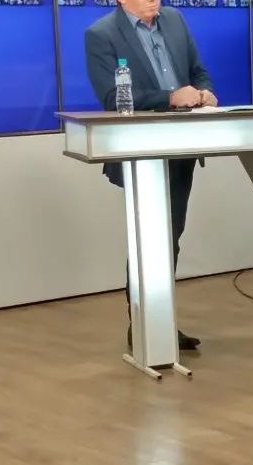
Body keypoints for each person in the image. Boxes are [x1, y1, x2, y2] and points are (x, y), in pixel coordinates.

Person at [85, 0, 217, 350]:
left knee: (170, 235)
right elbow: (113, 97)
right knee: (150, 237)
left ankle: (160, 321)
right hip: (140, 150)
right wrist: (170, 98)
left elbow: (198, 71)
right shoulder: (101, 34)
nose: (153, 0)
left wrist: (203, 92)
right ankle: (142, 323)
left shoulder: (175, 20)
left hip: (181, 148)